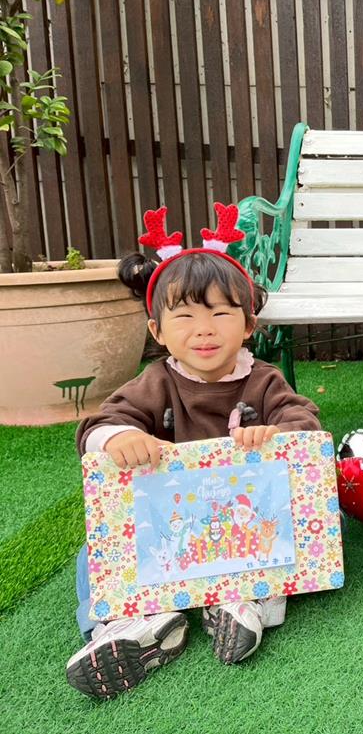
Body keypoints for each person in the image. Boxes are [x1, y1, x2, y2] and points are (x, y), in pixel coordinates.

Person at [66, 204, 321, 700]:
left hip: (241, 525)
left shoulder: (263, 380)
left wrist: (274, 434)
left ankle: (242, 607)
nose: (204, 329)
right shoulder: (156, 382)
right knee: (93, 552)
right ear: (158, 332)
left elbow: (305, 421)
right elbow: (96, 426)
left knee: (282, 538)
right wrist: (119, 438)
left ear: (248, 325)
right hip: (170, 525)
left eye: (220, 314)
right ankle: (125, 626)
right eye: (184, 316)